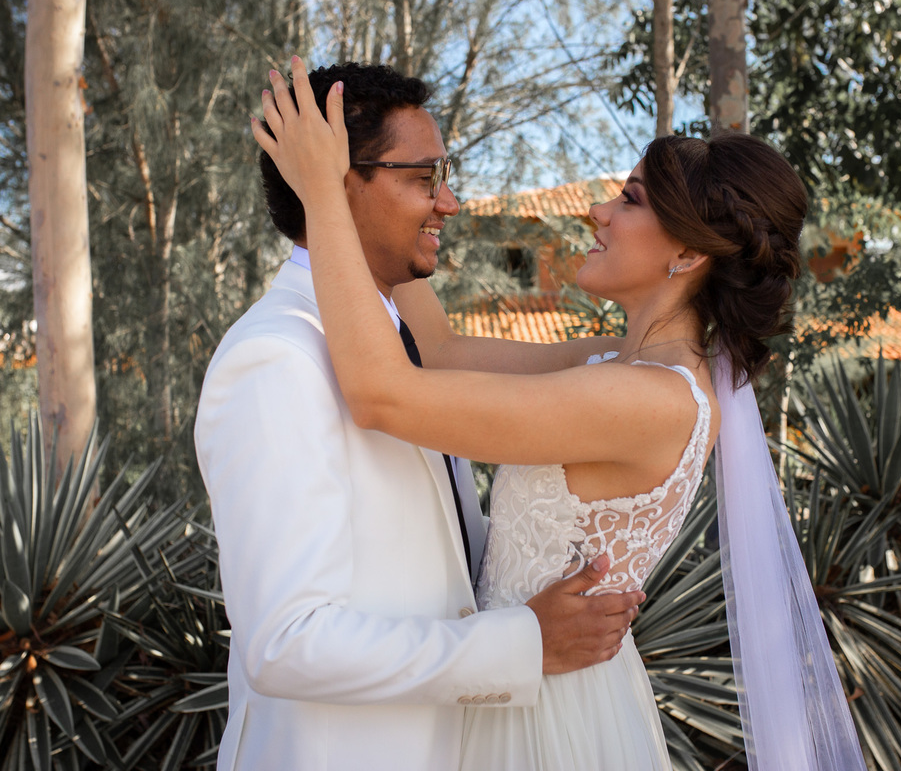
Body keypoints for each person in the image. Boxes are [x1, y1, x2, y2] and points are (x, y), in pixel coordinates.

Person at [256, 56, 868, 771]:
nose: (599, 212)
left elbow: (381, 392)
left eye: (630, 200)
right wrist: (371, 213)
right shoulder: (628, 368)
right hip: (524, 687)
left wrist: (325, 195)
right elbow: (443, 349)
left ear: (686, 255)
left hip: (543, 721)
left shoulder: (644, 400)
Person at [194, 61, 645, 771]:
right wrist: (524, 642)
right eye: (423, 179)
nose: (451, 202)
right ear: (340, 186)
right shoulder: (275, 361)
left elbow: (430, 545)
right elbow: (286, 642)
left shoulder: (396, 342)